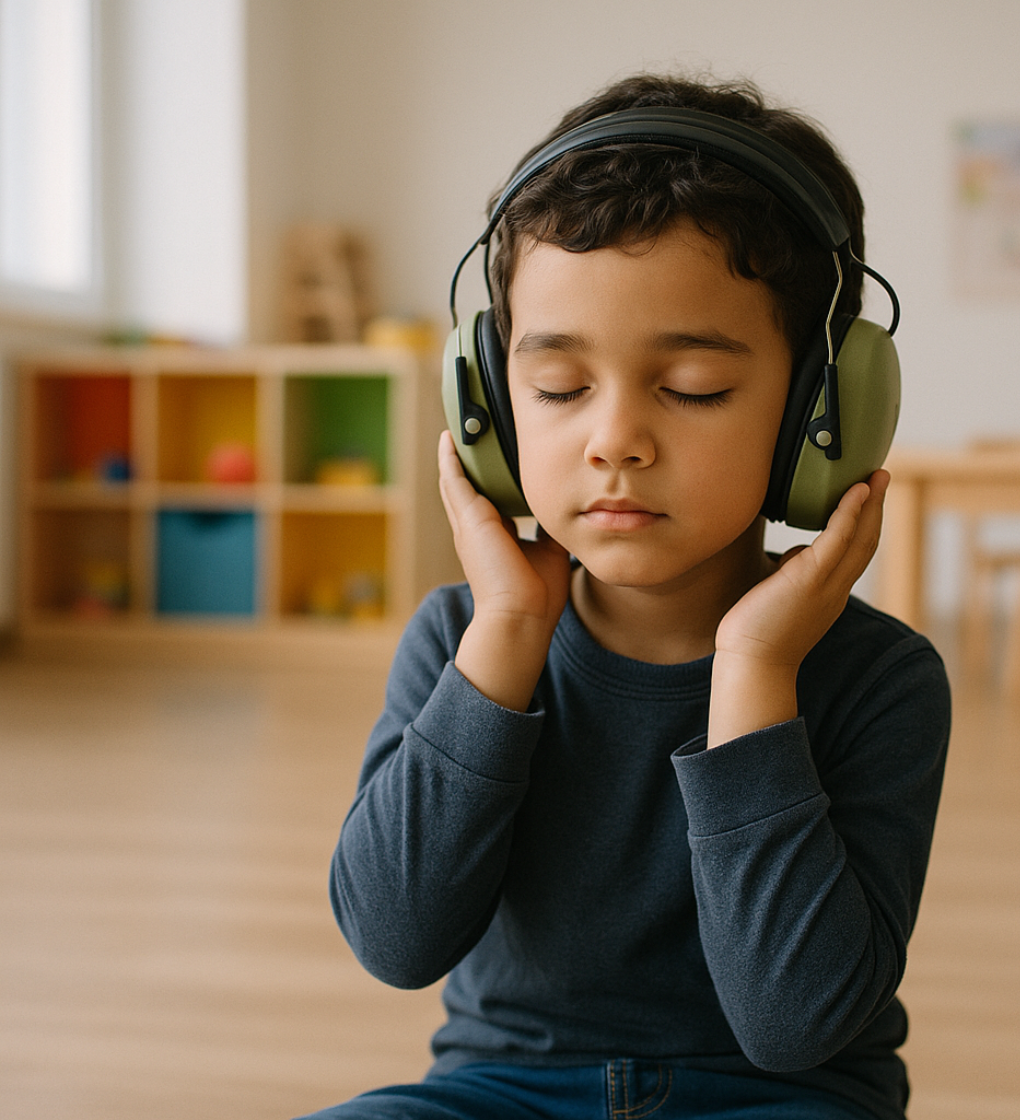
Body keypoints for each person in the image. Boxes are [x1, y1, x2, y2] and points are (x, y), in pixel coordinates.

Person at [299, 73, 950, 1120]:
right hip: (501, 1090)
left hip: (779, 1101)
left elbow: (793, 1021)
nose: (613, 440)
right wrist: (507, 636)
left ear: (822, 410)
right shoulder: (458, 641)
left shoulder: (880, 678)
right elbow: (393, 939)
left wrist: (754, 673)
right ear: (490, 409)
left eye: (692, 388)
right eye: (556, 389)